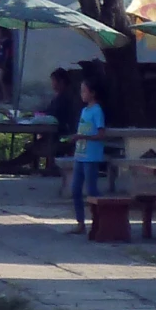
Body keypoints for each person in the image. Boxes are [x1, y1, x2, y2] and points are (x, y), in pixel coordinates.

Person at [70, 78, 108, 233]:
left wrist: (83, 137)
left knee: (91, 190)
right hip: (80, 155)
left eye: (84, 91)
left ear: (93, 93)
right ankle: (80, 223)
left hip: (91, 157)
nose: (82, 94)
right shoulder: (84, 111)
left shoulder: (97, 110)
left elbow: (101, 134)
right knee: (75, 190)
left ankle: (99, 221)